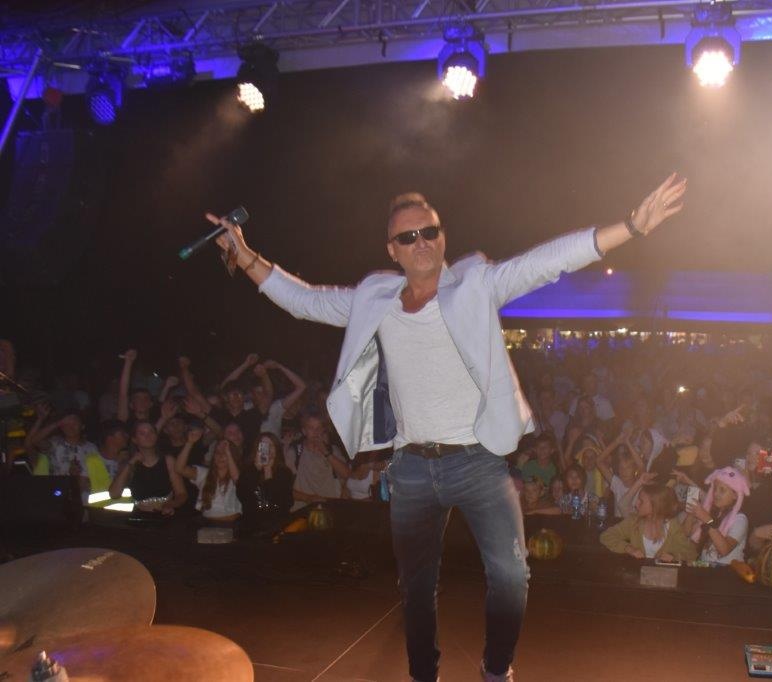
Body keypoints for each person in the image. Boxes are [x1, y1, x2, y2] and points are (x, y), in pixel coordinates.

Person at [205, 172, 687, 682]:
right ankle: (423, 674)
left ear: (442, 238)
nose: (421, 242)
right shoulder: (374, 298)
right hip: (412, 468)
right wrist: (244, 254)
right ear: (392, 249)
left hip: (479, 461)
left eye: (429, 232)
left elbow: (547, 262)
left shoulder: (476, 283)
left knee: (511, 575)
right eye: (408, 236)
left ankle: (496, 670)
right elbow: (305, 300)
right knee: (416, 588)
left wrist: (631, 226)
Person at [599, 483, 697, 562]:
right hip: (635, 575)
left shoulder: (672, 525)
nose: (636, 504)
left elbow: (691, 553)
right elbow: (606, 536)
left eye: (641, 501)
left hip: (663, 577)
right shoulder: (633, 521)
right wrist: (628, 548)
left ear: (656, 506)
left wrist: (674, 556)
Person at [682, 466, 750, 566]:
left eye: (722, 490)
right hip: (705, 566)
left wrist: (707, 519)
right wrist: (690, 514)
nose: (716, 494)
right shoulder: (712, 512)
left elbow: (724, 550)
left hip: (727, 571)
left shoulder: (740, 519)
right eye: (715, 489)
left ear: (735, 495)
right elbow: (686, 534)